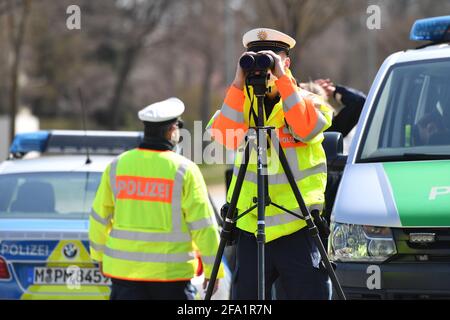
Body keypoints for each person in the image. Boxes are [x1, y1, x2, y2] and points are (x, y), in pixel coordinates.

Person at [208, 28, 333, 300]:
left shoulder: (310, 102)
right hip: (251, 224)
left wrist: (283, 80)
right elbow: (224, 138)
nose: (261, 65)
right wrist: (238, 84)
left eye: (270, 58)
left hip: (297, 224)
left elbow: (305, 128)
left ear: (286, 62)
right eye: (253, 57)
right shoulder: (241, 102)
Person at [89, 98, 223, 300]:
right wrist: (214, 270)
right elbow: (203, 226)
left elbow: (99, 217)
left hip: (125, 276)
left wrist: (98, 256)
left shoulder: (117, 166)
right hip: (171, 279)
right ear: (172, 130)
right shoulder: (185, 170)